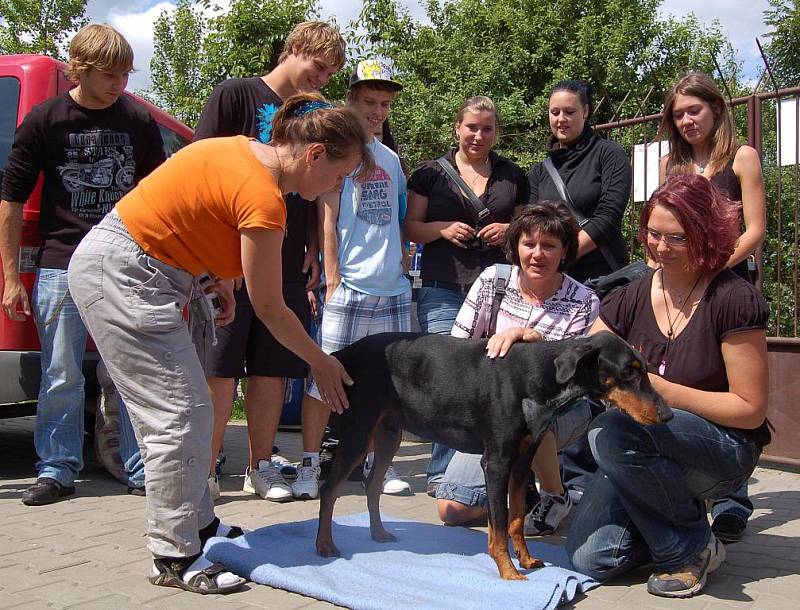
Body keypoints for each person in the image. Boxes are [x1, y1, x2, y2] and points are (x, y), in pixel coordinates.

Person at [66, 93, 371, 594]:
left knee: (195, 412)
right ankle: (174, 553)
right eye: (341, 174)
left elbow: (192, 213)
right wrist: (320, 361)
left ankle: (200, 526)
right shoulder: (267, 199)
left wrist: (218, 282)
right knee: (178, 417)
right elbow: (273, 309)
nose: (338, 186)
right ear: (315, 154)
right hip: (125, 275)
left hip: (146, 269)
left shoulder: (240, 150)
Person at [567, 174, 770, 599]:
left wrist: (664, 392)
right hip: (643, 447)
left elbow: (750, 409)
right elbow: (587, 354)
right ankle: (669, 509)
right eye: (652, 234)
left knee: (611, 432)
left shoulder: (733, 298)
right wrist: (531, 342)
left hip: (722, 448)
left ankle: (690, 548)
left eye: (676, 239)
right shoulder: (629, 295)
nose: (659, 248)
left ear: (705, 234)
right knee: (593, 560)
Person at [0, 23, 164, 505]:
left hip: (124, 263)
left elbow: (159, 196)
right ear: (83, 69)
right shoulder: (45, 118)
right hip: (60, 262)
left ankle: (140, 468)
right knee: (61, 372)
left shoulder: (136, 120)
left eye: (125, 74)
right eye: (110, 74)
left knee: (129, 369)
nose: (120, 83)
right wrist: (11, 278)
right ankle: (56, 469)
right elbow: (10, 200)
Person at [192, 21, 346, 503]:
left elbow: (322, 192)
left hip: (285, 256)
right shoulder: (236, 94)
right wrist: (217, 264)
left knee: (273, 365)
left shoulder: (317, 114)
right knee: (220, 367)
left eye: (329, 74)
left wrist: (315, 252)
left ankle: (259, 467)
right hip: (227, 258)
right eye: (319, 67)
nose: (322, 79)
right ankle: (208, 469)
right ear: (294, 49)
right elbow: (201, 169)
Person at [434, 201, 600, 534]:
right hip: (491, 410)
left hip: (561, 412)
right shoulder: (493, 282)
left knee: (533, 415)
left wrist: (534, 345)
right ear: (516, 246)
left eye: (549, 246)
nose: (538, 254)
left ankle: (555, 494)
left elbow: (571, 383)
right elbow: (455, 351)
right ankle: (519, 487)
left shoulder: (585, 301)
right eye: (529, 244)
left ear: (565, 250)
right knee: (451, 509)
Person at [291, 59, 412, 500]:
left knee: (391, 385)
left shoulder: (393, 159)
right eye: (368, 102)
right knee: (324, 377)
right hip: (351, 287)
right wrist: (333, 277)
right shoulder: (338, 149)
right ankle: (309, 465)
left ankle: (382, 466)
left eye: (384, 104)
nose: (377, 111)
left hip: (393, 290)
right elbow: (326, 216)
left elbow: (397, 218)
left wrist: (400, 260)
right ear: (351, 100)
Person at [659, 73, 768, 545]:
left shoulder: (742, 158)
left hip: (726, 285)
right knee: (690, 379)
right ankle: (690, 489)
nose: (686, 120)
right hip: (680, 288)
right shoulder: (671, 166)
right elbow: (661, 222)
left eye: (693, 110)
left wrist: (712, 265)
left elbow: (755, 230)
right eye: (678, 114)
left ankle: (731, 502)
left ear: (716, 110)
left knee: (730, 387)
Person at [405, 96, 528, 494]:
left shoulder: (513, 175)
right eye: (471, 127)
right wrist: (441, 229)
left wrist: (508, 230)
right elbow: (409, 228)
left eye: (487, 128)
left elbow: (530, 229)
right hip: (444, 287)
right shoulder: (429, 174)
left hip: (499, 289)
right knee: (447, 379)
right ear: (457, 128)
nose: (478, 135)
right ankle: (440, 473)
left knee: (492, 377)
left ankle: (484, 470)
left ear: (497, 132)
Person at [527, 79, 633, 502]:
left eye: (569, 111)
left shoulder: (610, 154)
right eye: (555, 112)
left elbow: (609, 214)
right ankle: (567, 475)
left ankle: (616, 462)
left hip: (604, 281)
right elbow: (535, 222)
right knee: (566, 376)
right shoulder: (540, 170)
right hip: (559, 282)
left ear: (586, 112)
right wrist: (551, 263)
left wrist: (564, 254)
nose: (561, 119)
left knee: (608, 374)